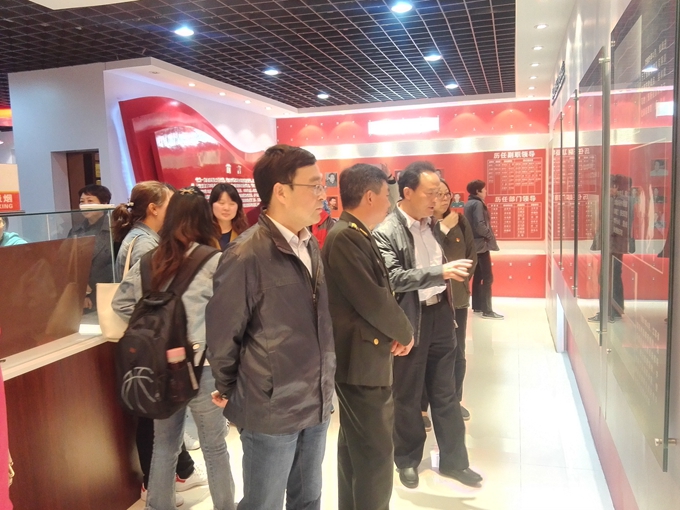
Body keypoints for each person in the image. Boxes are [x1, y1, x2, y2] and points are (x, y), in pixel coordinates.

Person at [206, 144, 335, 510]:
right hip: (271, 407)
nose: (322, 194)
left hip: (317, 399)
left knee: (308, 498)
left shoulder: (309, 244)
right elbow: (223, 335)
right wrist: (230, 387)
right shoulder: (245, 254)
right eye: (314, 185)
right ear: (281, 191)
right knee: (263, 503)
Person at [113, 189, 235, 510]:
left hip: (160, 369)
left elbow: (121, 303)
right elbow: (231, 314)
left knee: (164, 446)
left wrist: (152, 328)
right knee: (214, 448)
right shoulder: (214, 261)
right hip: (203, 367)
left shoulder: (149, 260)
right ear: (203, 219)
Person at [373, 161, 482, 489]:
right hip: (411, 320)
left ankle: (455, 462)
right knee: (407, 395)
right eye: (430, 193)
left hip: (441, 317)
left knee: (446, 393)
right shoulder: (386, 231)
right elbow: (394, 278)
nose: (437, 200)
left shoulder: (434, 226)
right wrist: (440, 273)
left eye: (440, 193)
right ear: (407, 192)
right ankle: (407, 460)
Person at [323, 163, 414, 510]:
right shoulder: (346, 236)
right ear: (370, 196)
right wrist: (405, 332)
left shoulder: (355, 233)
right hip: (360, 363)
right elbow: (373, 299)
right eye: (387, 195)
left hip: (362, 358)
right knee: (375, 457)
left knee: (356, 451)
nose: (390, 203)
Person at [421, 179, 477, 428]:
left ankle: (454, 400)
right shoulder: (424, 225)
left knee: (458, 352)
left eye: (447, 194)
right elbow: (425, 258)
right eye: (439, 194)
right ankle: (422, 407)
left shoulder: (460, 222)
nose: (444, 198)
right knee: (425, 354)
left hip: (457, 298)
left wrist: (461, 282)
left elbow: (471, 255)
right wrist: (442, 229)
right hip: (431, 300)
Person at [67, 184, 114, 312]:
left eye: (90, 201)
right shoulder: (75, 231)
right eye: (82, 202)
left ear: (104, 204)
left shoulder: (114, 229)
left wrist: (90, 290)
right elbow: (68, 262)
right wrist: (82, 291)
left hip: (107, 293)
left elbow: (114, 265)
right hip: (79, 295)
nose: (85, 205)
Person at [464, 179, 502, 319]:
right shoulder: (478, 204)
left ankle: (478, 306)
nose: (486, 191)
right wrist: (489, 235)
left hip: (474, 245)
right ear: (478, 191)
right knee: (487, 278)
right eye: (484, 189)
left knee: (478, 275)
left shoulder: (469, 203)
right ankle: (487, 310)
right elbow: (480, 225)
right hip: (481, 245)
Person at [209, 183, 248, 250]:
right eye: (221, 203)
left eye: (232, 204)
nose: (226, 208)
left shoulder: (245, 234)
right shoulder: (203, 234)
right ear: (211, 204)